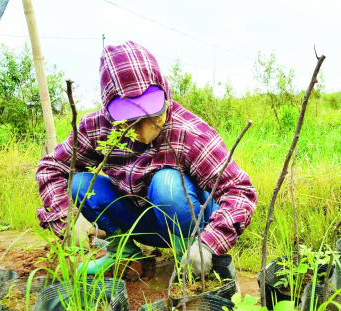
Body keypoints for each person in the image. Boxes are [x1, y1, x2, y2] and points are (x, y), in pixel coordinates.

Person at [35, 41, 257, 276]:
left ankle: (190, 261)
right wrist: (67, 219)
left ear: (165, 96)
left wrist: (209, 241)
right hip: (140, 220)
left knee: (167, 184)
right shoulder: (97, 128)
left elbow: (239, 191)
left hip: (188, 220)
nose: (145, 130)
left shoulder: (189, 133)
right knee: (79, 183)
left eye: (152, 114)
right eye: (130, 120)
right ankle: (124, 253)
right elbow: (51, 167)